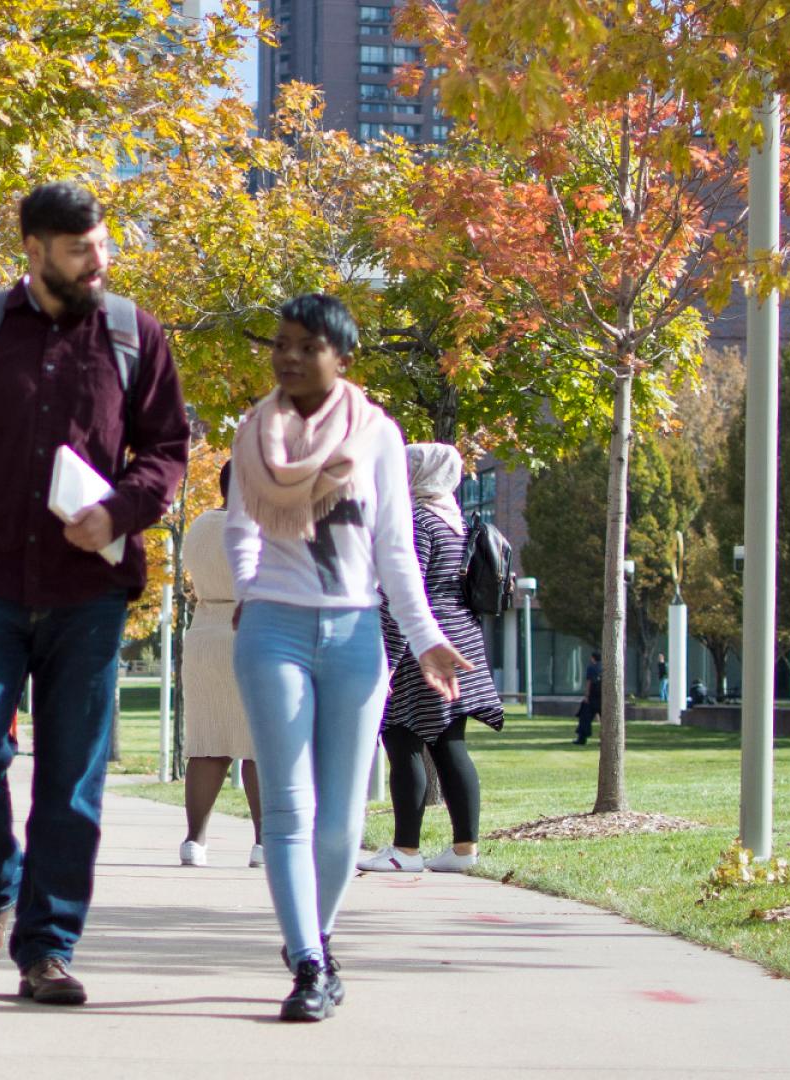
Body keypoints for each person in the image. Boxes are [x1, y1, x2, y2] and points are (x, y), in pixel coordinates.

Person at [0, 181, 188, 1006]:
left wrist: (121, 510)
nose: (100, 260)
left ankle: (47, 950)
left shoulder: (137, 336)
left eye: (103, 244)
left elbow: (168, 449)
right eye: (79, 248)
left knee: (71, 779)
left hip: (89, 594)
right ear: (34, 249)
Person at [225, 293, 469, 1023]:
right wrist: (249, 592)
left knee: (341, 821)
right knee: (291, 810)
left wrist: (425, 638)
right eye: (281, 344)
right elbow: (240, 530)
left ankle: (315, 936)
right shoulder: (252, 432)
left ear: (343, 357)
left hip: (356, 635)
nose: (289, 357)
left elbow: (395, 548)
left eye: (307, 345)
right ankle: (308, 963)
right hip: (274, 631)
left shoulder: (380, 438)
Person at [357, 444, 505, 875]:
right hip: (463, 636)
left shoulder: (417, 521)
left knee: (401, 736)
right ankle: (464, 849)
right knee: (449, 742)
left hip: (426, 642)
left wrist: (387, 656)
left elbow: (405, 591)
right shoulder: (457, 520)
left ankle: (405, 850)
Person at [180, 462, 263, 869]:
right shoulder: (260, 530)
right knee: (258, 745)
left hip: (205, 633)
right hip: (253, 632)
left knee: (206, 743)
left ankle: (194, 841)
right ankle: (265, 842)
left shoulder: (199, 526)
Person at [575, 650, 602, 744]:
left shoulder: (591, 668)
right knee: (606, 721)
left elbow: (589, 682)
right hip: (603, 697)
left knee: (585, 717)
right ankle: (605, 740)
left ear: (592, 658)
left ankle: (582, 739)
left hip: (593, 696)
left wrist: (586, 695)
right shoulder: (604, 667)